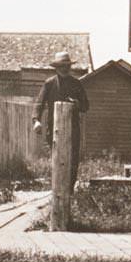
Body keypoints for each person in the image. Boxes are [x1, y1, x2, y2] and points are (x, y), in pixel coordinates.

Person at [32, 51, 90, 192]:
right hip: (54, 129)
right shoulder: (50, 83)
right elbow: (39, 103)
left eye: (67, 66)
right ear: (56, 67)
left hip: (72, 129)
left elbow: (86, 106)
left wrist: (77, 104)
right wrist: (36, 120)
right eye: (61, 66)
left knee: (72, 161)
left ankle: (69, 192)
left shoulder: (76, 84)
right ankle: (57, 192)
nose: (65, 69)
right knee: (57, 160)